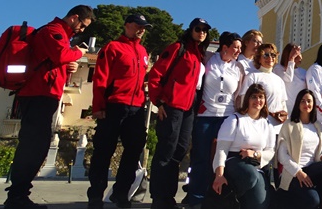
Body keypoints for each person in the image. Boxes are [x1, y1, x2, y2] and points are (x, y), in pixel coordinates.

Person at [5, 5, 93, 209]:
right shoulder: (53, 31)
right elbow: (61, 55)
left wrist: (69, 64)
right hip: (39, 93)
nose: (82, 30)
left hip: (45, 93)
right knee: (33, 146)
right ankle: (17, 197)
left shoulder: (59, 34)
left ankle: (19, 194)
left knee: (37, 145)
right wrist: (76, 52)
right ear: (74, 18)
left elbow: (57, 59)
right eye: (83, 25)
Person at [87, 14, 151, 209]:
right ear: (127, 25)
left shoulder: (142, 51)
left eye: (144, 27)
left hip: (136, 107)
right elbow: (100, 79)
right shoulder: (112, 47)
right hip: (114, 105)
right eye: (138, 25)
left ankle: (121, 193)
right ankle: (96, 194)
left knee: (133, 151)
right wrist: (98, 107)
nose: (141, 29)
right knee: (104, 151)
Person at [147, 17, 211, 209]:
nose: (201, 32)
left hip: (189, 109)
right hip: (172, 106)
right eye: (198, 29)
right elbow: (156, 74)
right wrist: (158, 101)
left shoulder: (200, 55)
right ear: (190, 30)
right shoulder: (177, 48)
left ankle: (169, 196)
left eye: (205, 30)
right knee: (166, 150)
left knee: (180, 150)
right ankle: (159, 198)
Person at [183, 32, 243, 209]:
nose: (239, 50)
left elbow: (238, 95)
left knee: (222, 159)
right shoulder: (208, 58)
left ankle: (219, 198)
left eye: (240, 47)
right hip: (206, 116)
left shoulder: (238, 68)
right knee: (200, 158)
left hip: (227, 117)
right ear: (224, 47)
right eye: (236, 47)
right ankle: (196, 197)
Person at [275, 89, 322, 209]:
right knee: (312, 200)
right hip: (294, 173)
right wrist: (298, 172)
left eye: (309, 101)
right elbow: (282, 155)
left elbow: (315, 153)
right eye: (302, 101)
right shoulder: (289, 125)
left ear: (313, 104)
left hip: (312, 170)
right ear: (298, 103)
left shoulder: (317, 126)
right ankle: (314, 202)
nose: (306, 104)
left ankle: (317, 200)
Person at [211, 84, 275, 209]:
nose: (258, 101)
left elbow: (270, 151)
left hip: (256, 165)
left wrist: (256, 154)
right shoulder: (234, 120)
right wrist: (219, 175)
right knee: (250, 175)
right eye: (254, 97)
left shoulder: (267, 124)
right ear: (247, 100)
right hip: (234, 162)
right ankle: (227, 199)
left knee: (260, 204)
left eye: (261, 97)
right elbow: (221, 150)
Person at [239, 43, 288, 133]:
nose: (270, 58)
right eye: (266, 55)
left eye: (273, 55)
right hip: (258, 127)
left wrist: (284, 115)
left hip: (278, 129)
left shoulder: (279, 80)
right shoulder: (252, 77)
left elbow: (283, 103)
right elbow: (244, 102)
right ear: (259, 58)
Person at [274, 43, 306, 108]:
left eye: (298, 52)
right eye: (295, 52)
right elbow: (288, 79)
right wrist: (291, 59)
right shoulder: (278, 68)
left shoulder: (304, 72)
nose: (298, 54)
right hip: (285, 110)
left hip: (299, 110)